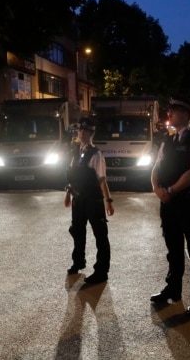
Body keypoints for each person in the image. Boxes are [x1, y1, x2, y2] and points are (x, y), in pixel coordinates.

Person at [150, 95, 190, 318]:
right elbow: (155, 167)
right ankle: (173, 289)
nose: (171, 113)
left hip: (187, 203)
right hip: (168, 204)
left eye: (175, 110)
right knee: (173, 249)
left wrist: (172, 190)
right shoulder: (167, 140)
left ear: (186, 114)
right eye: (171, 110)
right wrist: (157, 188)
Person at [64, 117, 115, 285]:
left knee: (100, 235)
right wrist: (68, 193)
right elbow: (72, 175)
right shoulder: (76, 151)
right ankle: (78, 261)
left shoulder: (96, 154)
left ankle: (102, 271)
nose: (82, 133)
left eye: (86, 131)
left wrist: (108, 200)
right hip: (78, 198)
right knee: (77, 231)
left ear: (92, 133)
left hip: (93, 199)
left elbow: (101, 179)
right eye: (80, 130)